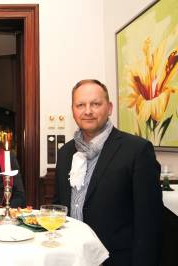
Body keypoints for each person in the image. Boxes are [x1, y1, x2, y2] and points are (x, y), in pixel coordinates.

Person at [54, 79, 162, 266]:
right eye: (80, 105)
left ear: (110, 108)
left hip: (117, 260)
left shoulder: (137, 150)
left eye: (95, 104)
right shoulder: (65, 153)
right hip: (73, 257)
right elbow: (60, 206)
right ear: (73, 110)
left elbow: (149, 222)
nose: (87, 111)